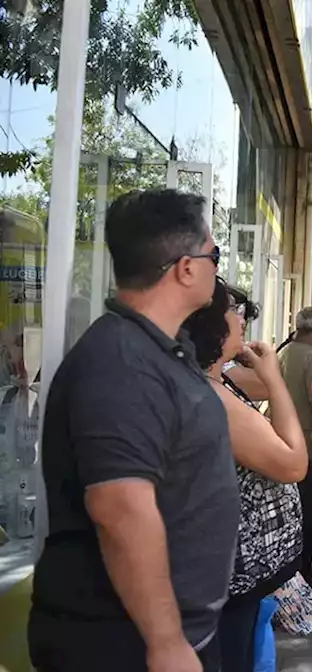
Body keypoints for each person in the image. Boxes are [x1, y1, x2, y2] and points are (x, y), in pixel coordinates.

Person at [29, 189, 237, 672]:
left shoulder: (158, 351)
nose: (214, 269)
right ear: (185, 268)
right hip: (124, 644)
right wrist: (165, 642)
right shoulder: (120, 363)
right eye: (213, 256)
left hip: (171, 635)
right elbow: (119, 508)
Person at [186, 279, 308, 671]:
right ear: (208, 326)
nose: (242, 323)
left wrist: (263, 370)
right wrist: (273, 377)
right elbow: (293, 464)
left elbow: (263, 388)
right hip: (232, 572)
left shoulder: (217, 380)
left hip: (239, 571)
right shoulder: (210, 396)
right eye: (234, 314)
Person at [278, 306, 312, 588]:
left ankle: (294, 569)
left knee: (292, 513)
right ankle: (303, 570)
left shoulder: (284, 352)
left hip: (281, 443)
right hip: (309, 449)